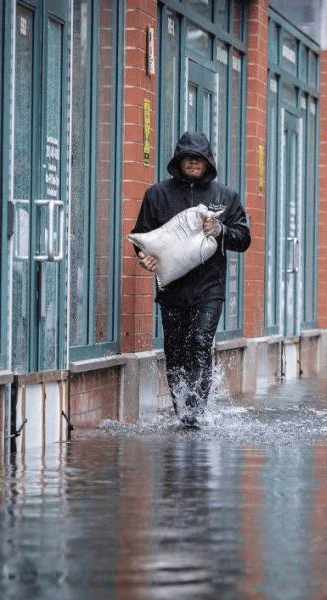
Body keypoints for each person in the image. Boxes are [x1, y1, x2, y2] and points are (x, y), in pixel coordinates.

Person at [132, 132, 251, 427]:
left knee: (199, 342)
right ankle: (181, 412)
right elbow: (142, 236)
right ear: (179, 161)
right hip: (172, 289)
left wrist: (221, 230)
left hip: (209, 288)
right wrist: (143, 257)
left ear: (207, 161)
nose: (194, 163)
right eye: (188, 158)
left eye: (199, 158)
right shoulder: (157, 195)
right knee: (175, 350)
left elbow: (244, 239)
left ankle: (195, 414)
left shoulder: (225, 196)